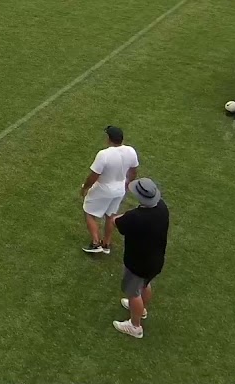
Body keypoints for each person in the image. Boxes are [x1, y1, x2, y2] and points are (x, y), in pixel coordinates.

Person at [111, 178, 169, 339]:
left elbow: (118, 222)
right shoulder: (162, 208)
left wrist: (115, 217)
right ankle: (141, 310)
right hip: (155, 260)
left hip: (138, 263)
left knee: (133, 292)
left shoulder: (136, 216)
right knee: (145, 284)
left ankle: (135, 326)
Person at [78, 126, 139, 255]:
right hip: (119, 189)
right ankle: (106, 243)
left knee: (89, 212)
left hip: (103, 188)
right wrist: (127, 184)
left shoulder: (104, 154)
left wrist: (85, 187)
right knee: (110, 215)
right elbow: (133, 171)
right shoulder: (131, 151)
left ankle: (96, 243)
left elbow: (94, 175)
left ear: (108, 139)